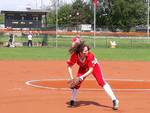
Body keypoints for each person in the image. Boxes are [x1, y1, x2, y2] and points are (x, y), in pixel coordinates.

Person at [66, 42, 119, 110]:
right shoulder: (75, 55)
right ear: (80, 52)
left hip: (94, 67)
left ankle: (115, 100)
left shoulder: (90, 56)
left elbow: (91, 70)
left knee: (101, 82)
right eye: (85, 51)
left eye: (87, 50)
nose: (87, 52)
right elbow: (69, 66)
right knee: (76, 83)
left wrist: (81, 77)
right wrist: (71, 78)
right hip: (83, 67)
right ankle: (73, 100)